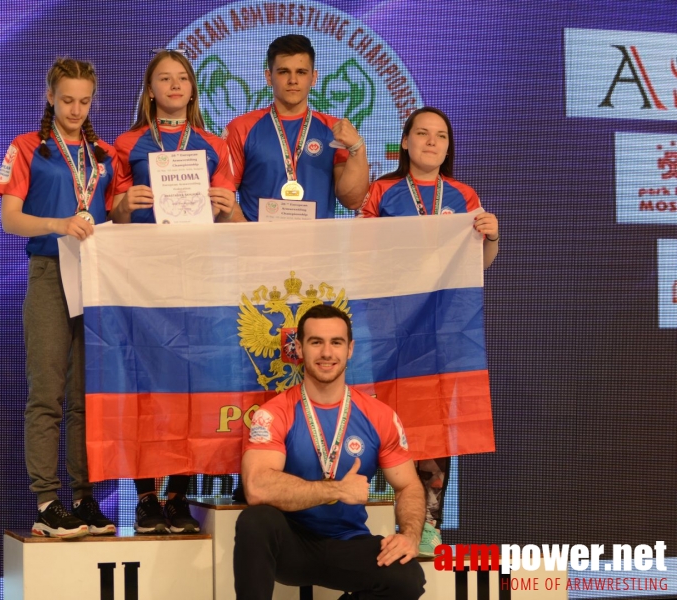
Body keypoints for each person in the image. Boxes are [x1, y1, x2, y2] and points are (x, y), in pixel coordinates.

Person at [360, 105, 499, 554]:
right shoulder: (381, 192)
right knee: (387, 419)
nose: (432, 142)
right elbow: (360, 255)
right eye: (422, 133)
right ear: (405, 142)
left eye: (440, 135)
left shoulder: (463, 194)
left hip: (443, 331)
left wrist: (491, 237)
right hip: (390, 327)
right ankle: (381, 517)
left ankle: (429, 521)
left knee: (438, 423)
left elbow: (477, 265)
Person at [111, 50, 239, 534]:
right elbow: (111, 214)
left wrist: (226, 205)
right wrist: (125, 204)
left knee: (192, 385)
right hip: (143, 277)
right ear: (150, 91)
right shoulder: (125, 144)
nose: (174, 85)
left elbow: (228, 210)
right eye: (164, 78)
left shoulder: (213, 143)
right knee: (145, 384)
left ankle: (180, 494)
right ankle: (146, 498)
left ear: (192, 88)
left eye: (182, 77)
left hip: (198, 276)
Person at [0, 58, 117, 538]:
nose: (75, 109)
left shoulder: (102, 154)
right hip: (49, 271)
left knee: (86, 396)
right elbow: (10, 219)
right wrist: (58, 224)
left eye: (84, 101)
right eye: (67, 100)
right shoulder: (29, 148)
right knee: (47, 392)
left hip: (96, 276)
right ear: (50, 96)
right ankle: (48, 500)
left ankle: (85, 497)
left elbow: (114, 211)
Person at [235, 304, 426, 600]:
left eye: (336, 342)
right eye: (316, 342)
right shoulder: (274, 413)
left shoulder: (379, 415)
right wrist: (336, 489)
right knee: (255, 521)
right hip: (293, 543)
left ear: (349, 349)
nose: (327, 353)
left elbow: (409, 485)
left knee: (407, 577)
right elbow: (257, 487)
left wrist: (410, 536)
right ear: (298, 348)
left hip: (348, 542)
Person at [223, 34, 370, 221]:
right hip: (259, 247)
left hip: (317, 248)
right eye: (284, 72)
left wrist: (358, 148)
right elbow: (223, 195)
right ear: (269, 77)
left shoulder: (334, 130)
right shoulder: (241, 128)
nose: (293, 80)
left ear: (313, 77)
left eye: (301, 72)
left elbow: (353, 201)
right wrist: (249, 239)